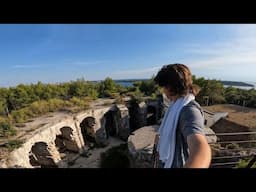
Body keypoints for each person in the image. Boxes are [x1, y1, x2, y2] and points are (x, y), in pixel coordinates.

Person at [153, 63, 211, 168]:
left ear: (170, 86)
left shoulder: (189, 110)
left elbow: (201, 149)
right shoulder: (175, 105)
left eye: (164, 87)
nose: (163, 91)